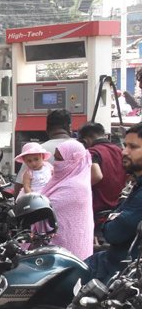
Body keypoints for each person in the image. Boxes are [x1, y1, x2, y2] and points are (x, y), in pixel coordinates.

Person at [87, 123, 142, 282]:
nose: (124, 152)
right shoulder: (135, 185)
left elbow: (114, 233)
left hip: (121, 275)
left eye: (133, 147)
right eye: (125, 146)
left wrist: (111, 220)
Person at [37, 140, 94, 261]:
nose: (56, 163)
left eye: (60, 159)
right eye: (55, 158)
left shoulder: (76, 187)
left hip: (67, 251)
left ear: (74, 161)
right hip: (54, 249)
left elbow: (45, 210)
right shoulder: (61, 179)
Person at [79, 121, 127, 216]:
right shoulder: (119, 150)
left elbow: (96, 176)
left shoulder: (92, 152)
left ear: (85, 140)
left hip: (98, 209)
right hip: (117, 207)